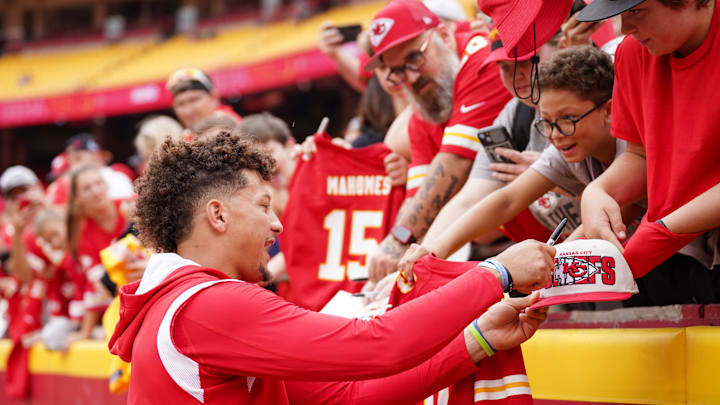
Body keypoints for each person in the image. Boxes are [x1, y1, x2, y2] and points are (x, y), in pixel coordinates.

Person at [109, 130, 556, 404]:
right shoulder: (207, 305)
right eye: (264, 205)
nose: (277, 222)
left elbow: (346, 396)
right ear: (218, 215)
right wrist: (494, 273)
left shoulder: (181, 302)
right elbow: (377, 346)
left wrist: (476, 341)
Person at [397, 46, 643, 285]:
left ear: (609, 111)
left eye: (567, 119)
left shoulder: (631, 147)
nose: (554, 134)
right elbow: (507, 200)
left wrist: (546, 262)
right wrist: (433, 250)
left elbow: (609, 215)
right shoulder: (564, 143)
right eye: (546, 123)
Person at [577, 0, 720, 305]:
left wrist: (666, 230)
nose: (624, 29)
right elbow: (639, 155)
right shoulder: (632, 52)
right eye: (619, 15)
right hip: (684, 252)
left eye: (636, 12)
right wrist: (600, 191)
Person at [364, 0, 512, 282]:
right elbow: (419, 196)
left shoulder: (481, 57)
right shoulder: (426, 102)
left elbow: (452, 165)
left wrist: (398, 245)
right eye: (397, 70)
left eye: (414, 58)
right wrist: (400, 255)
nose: (410, 76)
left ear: (443, 36)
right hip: (500, 246)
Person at [166, 67, 242, 131]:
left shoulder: (233, 129)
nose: (188, 111)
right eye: (180, 104)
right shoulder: (186, 137)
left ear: (214, 98)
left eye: (194, 100)